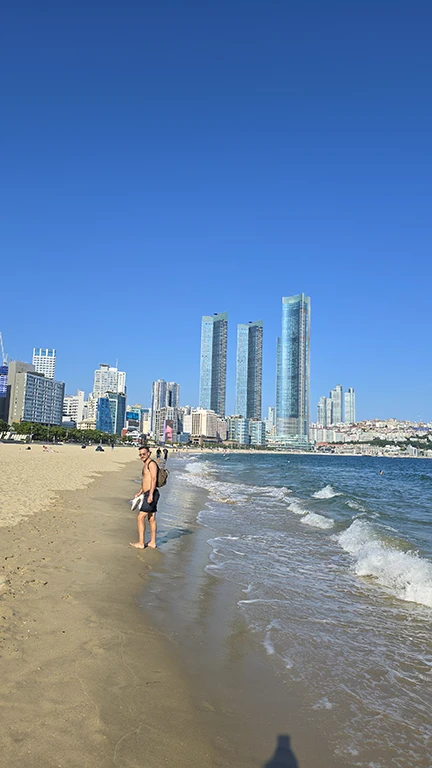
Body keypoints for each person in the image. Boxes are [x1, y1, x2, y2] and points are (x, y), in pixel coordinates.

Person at [130, 446, 159, 549]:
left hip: (151, 493)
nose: (142, 456)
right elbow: (146, 480)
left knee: (140, 517)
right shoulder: (145, 465)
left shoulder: (151, 464)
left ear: (149, 453)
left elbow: (154, 479)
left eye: (144, 454)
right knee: (151, 518)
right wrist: (140, 492)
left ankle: (141, 543)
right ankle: (152, 542)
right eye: (140, 454)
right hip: (147, 493)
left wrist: (150, 494)